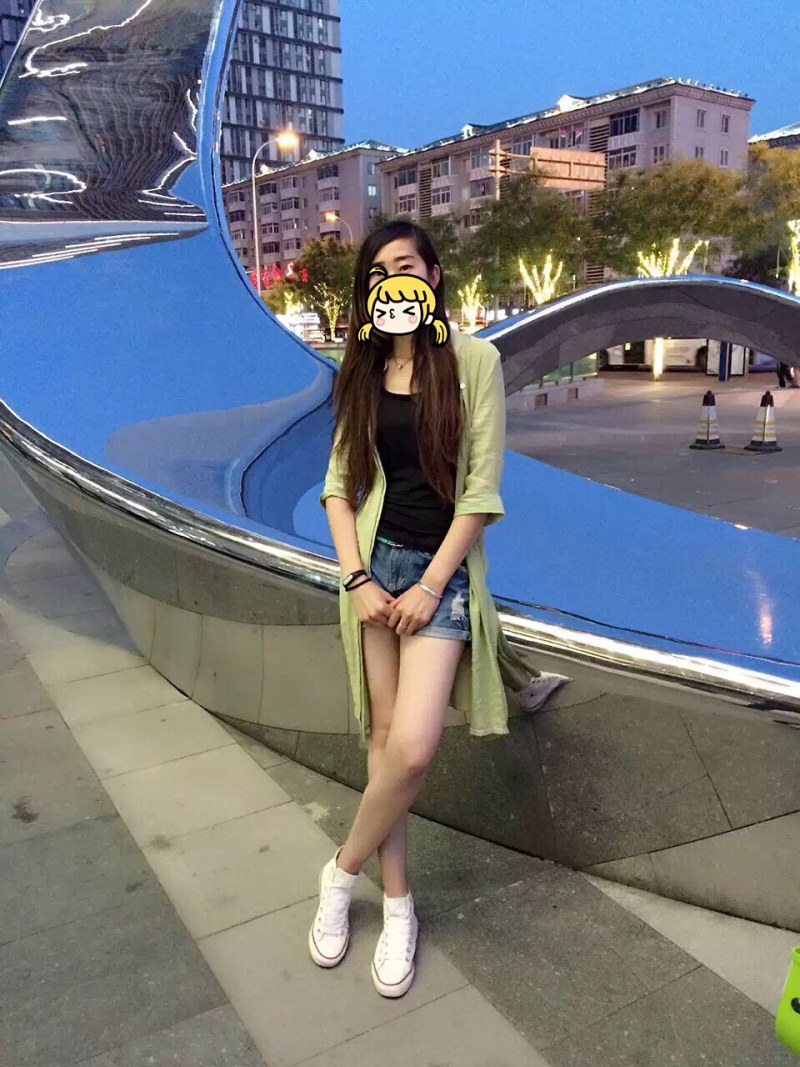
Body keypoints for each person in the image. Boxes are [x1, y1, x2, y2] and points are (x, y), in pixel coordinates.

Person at [310, 220, 568, 998]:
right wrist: (358, 578)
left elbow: (480, 492)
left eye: (404, 265)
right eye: (377, 272)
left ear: (432, 276)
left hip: (439, 579)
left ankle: (339, 869)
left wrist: (430, 586)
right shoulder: (360, 369)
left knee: (414, 749)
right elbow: (338, 487)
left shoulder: (473, 360)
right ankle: (398, 904)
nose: (391, 280)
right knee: (384, 739)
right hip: (374, 567)